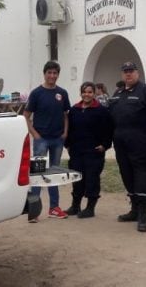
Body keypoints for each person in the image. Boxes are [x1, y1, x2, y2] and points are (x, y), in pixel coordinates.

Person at [108, 61, 146, 232]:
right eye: (125, 72)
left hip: (140, 142)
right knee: (127, 174)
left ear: (137, 73)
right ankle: (134, 209)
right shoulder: (118, 92)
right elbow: (110, 116)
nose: (128, 74)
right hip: (121, 143)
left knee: (142, 176)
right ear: (122, 75)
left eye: (131, 71)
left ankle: (143, 214)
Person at [23, 61, 72, 221]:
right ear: (44, 74)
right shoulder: (37, 93)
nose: (52, 76)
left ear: (58, 74)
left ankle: (54, 208)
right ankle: (34, 211)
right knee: (38, 174)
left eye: (55, 73)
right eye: (49, 73)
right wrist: (35, 135)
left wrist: (65, 132)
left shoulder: (62, 93)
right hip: (41, 140)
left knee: (54, 173)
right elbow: (26, 116)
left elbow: (66, 114)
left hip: (57, 139)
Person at [65, 82, 113, 218]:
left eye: (90, 92)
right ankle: (75, 206)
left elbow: (109, 129)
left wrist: (105, 145)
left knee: (92, 180)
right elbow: (69, 129)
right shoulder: (74, 110)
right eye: (84, 92)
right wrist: (68, 144)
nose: (87, 94)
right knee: (77, 179)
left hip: (94, 152)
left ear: (94, 94)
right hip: (76, 151)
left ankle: (90, 208)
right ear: (81, 93)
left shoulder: (101, 111)